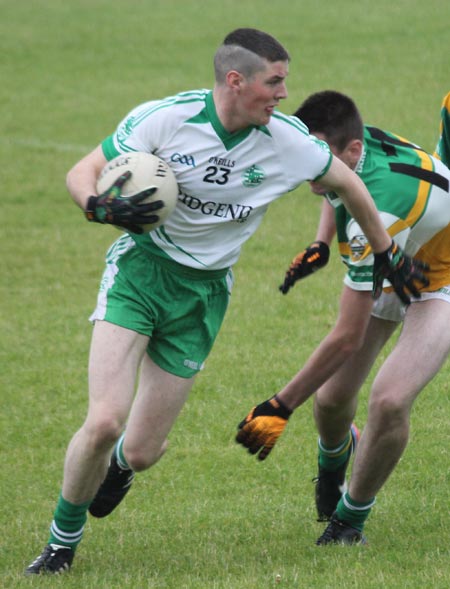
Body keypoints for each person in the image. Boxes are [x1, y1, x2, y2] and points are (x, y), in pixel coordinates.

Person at [26, 29, 423, 575]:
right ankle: (59, 547)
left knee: (139, 451)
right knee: (103, 421)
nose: (284, 94)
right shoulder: (165, 119)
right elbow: (83, 170)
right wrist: (97, 206)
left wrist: (385, 253)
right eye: (274, 81)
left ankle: (119, 466)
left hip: (204, 296)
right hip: (140, 275)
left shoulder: (287, 141)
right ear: (236, 81)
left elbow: (350, 186)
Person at [236, 90, 450, 545]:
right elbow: (334, 178)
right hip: (395, 257)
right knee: (332, 401)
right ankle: (334, 460)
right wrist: (320, 239)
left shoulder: (381, 214)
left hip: (439, 275)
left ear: (353, 149)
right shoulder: (355, 144)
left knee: (389, 400)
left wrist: (280, 405)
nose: (306, 172)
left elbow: (346, 337)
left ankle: (350, 519)